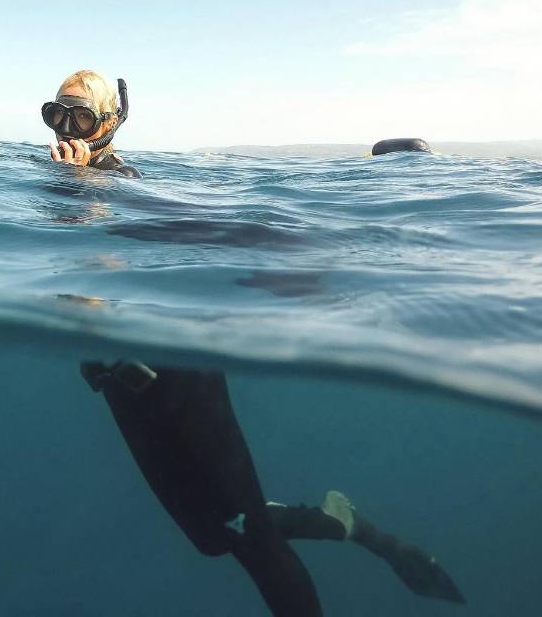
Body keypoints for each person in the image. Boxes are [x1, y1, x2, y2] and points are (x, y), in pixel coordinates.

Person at [46, 70, 464, 616]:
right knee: (213, 538)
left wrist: (297, 267)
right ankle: (344, 524)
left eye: (80, 117)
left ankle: (380, 542)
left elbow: (191, 231)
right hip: (120, 383)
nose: (66, 130)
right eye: (57, 115)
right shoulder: (59, 180)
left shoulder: (122, 181)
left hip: (173, 371)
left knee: (253, 543)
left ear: (109, 124)